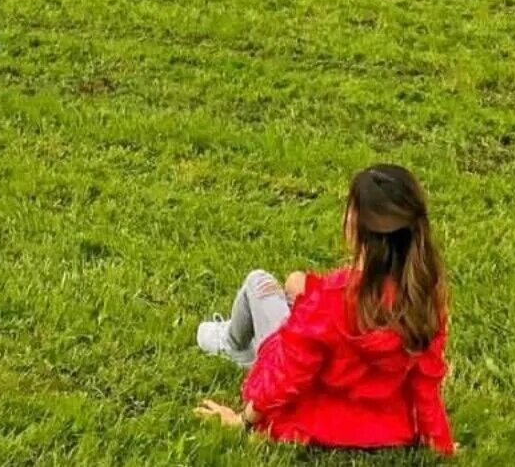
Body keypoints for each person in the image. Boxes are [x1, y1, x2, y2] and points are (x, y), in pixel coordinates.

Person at [194, 163, 455, 455]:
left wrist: (242, 420)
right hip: (382, 426)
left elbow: (288, 374)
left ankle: (232, 343)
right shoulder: (424, 298)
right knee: (295, 286)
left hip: (313, 417)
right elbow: (425, 381)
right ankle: (252, 333)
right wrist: (439, 441)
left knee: (259, 282)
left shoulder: (333, 299)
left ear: (355, 224)